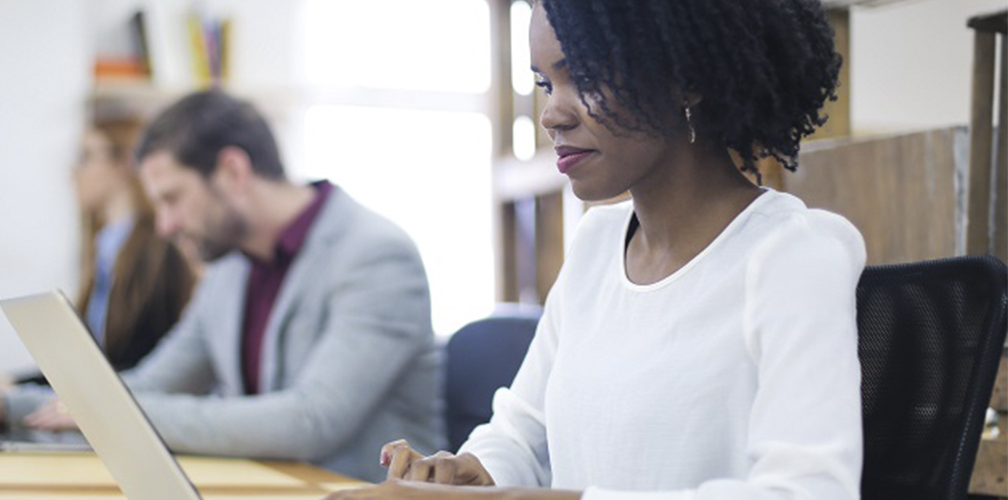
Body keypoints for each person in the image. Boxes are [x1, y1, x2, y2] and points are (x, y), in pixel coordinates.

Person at [332, 0, 865, 498]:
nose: (551, 114)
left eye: (582, 77)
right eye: (545, 82)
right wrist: (463, 474)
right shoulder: (597, 243)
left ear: (688, 79)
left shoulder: (796, 253)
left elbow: (810, 490)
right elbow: (520, 436)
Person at [0, 90, 445, 482]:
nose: (163, 225)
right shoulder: (231, 268)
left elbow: (310, 421)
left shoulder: (375, 254)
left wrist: (115, 413)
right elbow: (154, 382)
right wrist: (5, 409)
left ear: (232, 171)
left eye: (172, 198)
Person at [0, 126, 198, 433]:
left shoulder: (158, 254)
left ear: (124, 164)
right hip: (108, 414)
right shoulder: (106, 250)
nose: (73, 171)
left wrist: (12, 393)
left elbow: (139, 373)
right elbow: (92, 366)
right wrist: (12, 386)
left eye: (85, 156)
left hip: (131, 421)